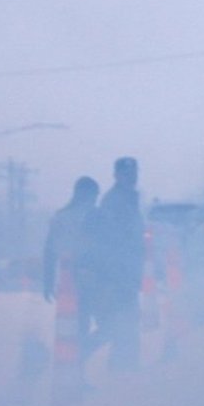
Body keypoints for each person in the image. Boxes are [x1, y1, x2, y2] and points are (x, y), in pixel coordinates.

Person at [79, 156, 146, 371]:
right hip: (114, 275)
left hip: (127, 273)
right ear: (116, 175)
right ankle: (80, 355)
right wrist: (115, 272)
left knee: (127, 322)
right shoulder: (114, 201)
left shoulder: (129, 199)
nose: (132, 177)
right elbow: (110, 241)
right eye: (127, 173)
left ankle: (124, 367)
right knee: (116, 323)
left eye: (134, 173)